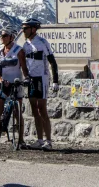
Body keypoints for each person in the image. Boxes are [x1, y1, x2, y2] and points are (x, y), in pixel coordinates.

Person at [0, 26, 29, 150]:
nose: (2, 37)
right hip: (1, 84)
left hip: (15, 84)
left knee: (18, 113)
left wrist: (26, 78)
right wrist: (0, 80)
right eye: (1, 35)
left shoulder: (19, 50)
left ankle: (20, 141)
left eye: (5, 35)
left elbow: (24, 68)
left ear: (11, 37)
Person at [21, 18, 59, 151]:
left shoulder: (43, 43)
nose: (23, 31)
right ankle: (39, 139)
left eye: (25, 28)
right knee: (34, 109)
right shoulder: (25, 45)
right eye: (23, 28)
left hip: (42, 78)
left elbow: (53, 62)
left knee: (42, 108)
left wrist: (55, 81)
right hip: (31, 79)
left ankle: (48, 140)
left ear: (33, 29)